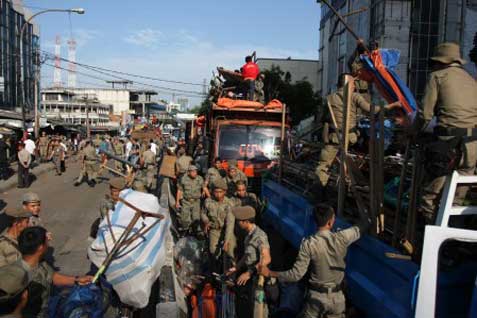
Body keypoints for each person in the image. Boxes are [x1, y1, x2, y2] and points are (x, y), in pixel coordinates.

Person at [259, 204, 366, 318]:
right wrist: (367, 221)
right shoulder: (342, 237)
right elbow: (360, 228)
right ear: (330, 222)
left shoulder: (308, 244)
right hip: (337, 300)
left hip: (316, 299)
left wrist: (270, 273)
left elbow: (296, 275)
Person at [410, 42, 477, 224]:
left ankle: (427, 243)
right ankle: (452, 241)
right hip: (472, 147)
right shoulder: (471, 80)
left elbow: (425, 115)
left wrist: (413, 133)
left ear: (439, 62)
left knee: (429, 198)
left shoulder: (437, 77)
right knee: (456, 200)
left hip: (448, 146)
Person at [315, 73, 400, 188]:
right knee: (365, 142)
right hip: (350, 137)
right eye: (353, 84)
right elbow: (372, 110)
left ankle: (321, 189)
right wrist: (392, 105)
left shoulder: (329, 98)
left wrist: (325, 138)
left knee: (323, 166)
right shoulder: (354, 96)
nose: (355, 86)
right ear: (347, 84)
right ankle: (357, 177)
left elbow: (323, 119)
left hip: (334, 138)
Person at [18, 226, 93, 318]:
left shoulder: (38, 262)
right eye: (46, 240)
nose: (48, 242)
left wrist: (77, 280)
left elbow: (52, 277)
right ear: (40, 247)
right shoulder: (21, 277)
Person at [227, 206, 271, 318]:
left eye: (239, 221)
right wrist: (236, 267)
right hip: (252, 276)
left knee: (259, 309)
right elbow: (247, 255)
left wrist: (249, 273)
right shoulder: (249, 234)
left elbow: (266, 259)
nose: (237, 223)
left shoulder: (259, 236)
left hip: (260, 278)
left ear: (246, 222)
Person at [202, 179, 235, 259]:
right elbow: (203, 213)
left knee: (230, 252)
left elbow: (230, 224)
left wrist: (226, 241)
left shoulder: (229, 203)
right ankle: (217, 266)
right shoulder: (208, 201)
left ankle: (229, 268)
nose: (218, 194)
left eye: (220, 192)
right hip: (214, 230)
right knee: (213, 251)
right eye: (216, 192)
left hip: (227, 230)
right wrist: (206, 221)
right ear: (213, 192)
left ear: (225, 192)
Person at [176, 165, 204, 233]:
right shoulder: (183, 179)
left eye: (196, 171)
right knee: (184, 218)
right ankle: (186, 230)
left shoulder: (200, 179)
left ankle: (195, 232)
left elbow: (204, 187)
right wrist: (177, 202)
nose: (195, 173)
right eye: (193, 171)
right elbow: (180, 190)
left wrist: (209, 197)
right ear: (188, 172)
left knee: (196, 218)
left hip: (196, 202)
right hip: (186, 201)